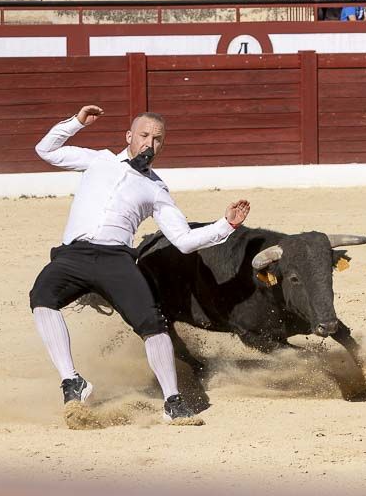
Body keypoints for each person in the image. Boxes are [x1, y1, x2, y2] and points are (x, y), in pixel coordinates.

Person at [30, 106, 251, 424]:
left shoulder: (156, 189)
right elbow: (45, 150)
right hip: (73, 255)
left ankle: (173, 402)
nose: (150, 143)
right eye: (144, 135)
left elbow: (184, 240)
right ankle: (71, 380)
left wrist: (225, 225)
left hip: (115, 260)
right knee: (41, 298)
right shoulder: (99, 160)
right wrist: (77, 123)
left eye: (158, 139)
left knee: (153, 325)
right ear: (129, 136)